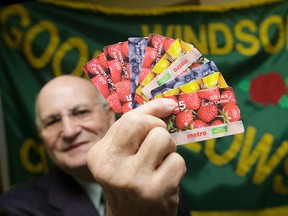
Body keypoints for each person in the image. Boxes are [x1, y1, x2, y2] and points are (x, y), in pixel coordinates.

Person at [0, 75, 189, 216]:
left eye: (81, 112)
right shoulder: (14, 208)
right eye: (52, 121)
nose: (69, 131)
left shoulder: (161, 178)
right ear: (41, 135)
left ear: (108, 116)